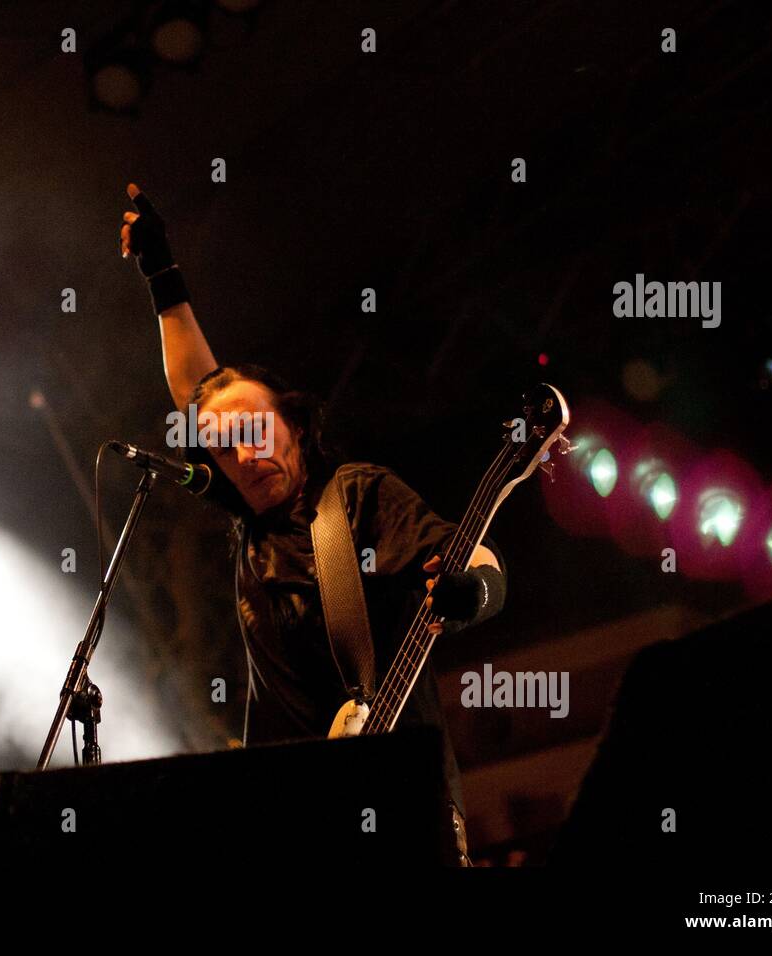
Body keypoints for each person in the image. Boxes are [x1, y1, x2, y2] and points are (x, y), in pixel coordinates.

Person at [120, 184, 509, 864]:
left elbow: (477, 555)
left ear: (295, 424)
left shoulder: (354, 494)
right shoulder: (247, 514)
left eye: (258, 430)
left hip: (400, 801)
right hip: (295, 818)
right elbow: (199, 398)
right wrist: (162, 278)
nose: (245, 454)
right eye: (225, 446)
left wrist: (473, 592)